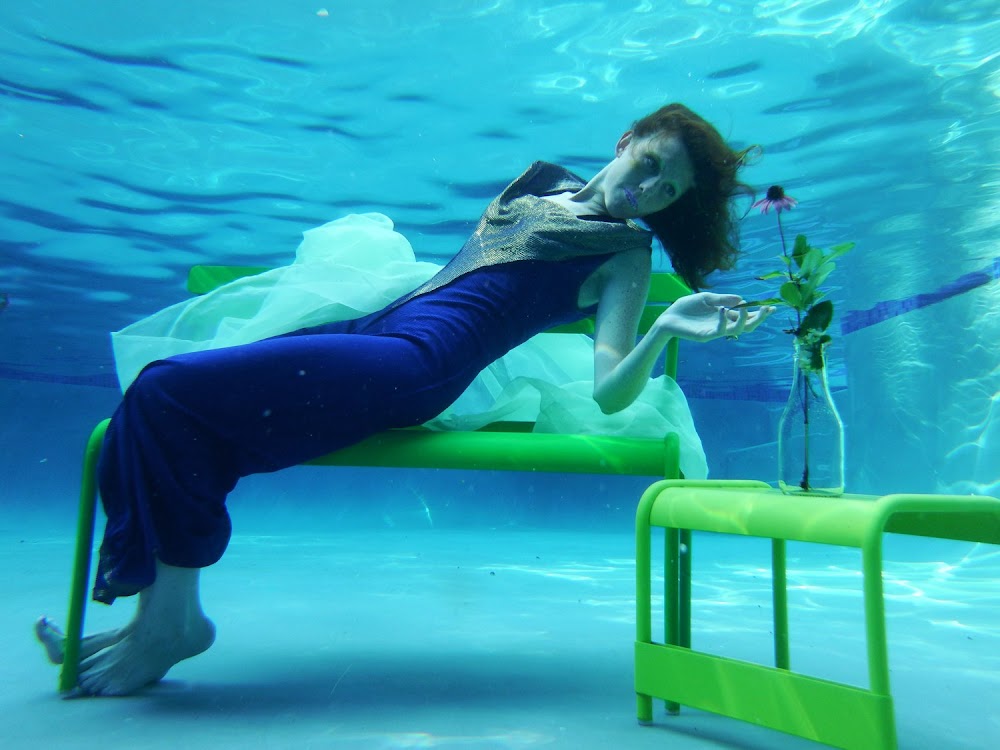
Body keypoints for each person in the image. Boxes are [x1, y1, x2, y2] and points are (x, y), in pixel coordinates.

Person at [36, 103, 774, 695]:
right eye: (648, 165)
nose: (643, 192)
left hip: (417, 363)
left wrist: (664, 327)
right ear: (626, 140)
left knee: (167, 390)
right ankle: (162, 620)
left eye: (665, 192)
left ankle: (167, 624)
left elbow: (610, 393)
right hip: (380, 329)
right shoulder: (542, 181)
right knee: (163, 396)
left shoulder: (625, 256)